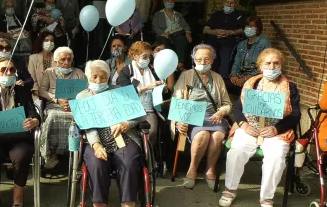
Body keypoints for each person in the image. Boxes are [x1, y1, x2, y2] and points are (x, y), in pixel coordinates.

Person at [219, 48, 300, 207]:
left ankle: (266, 198)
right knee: (237, 151)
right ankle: (230, 190)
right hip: (250, 128)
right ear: (260, 66)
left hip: (276, 132)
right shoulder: (251, 83)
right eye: (267, 63)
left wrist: (276, 129)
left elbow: (295, 114)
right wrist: (243, 124)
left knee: (276, 157)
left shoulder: (290, 87)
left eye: (276, 63)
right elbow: (237, 108)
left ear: (281, 65)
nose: (272, 67)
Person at [0, 57, 40, 207]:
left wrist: (34, 121)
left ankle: (18, 198)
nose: (8, 73)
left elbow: (34, 114)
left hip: (19, 139)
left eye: (12, 70)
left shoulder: (22, 92)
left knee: (22, 156)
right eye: (4, 70)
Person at [77, 60, 142, 207]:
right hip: (96, 139)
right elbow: (88, 126)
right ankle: (99, 204)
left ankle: (128, 203)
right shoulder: (82, 97)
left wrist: (127, 123)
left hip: (123, 136)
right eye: (95, 77)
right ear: (88, 77)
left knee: (128, 162)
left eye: (103, 77)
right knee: (97, 164)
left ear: (109, 77)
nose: (99, 81)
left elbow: (138, 114)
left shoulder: (119, 91)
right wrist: (96, 145)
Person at [173, 44, 232, 189]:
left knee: (218, 136)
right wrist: (178, 121)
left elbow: (227, 103)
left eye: (206, 59)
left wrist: (221, 112)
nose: (202, 62)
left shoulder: (217, 78)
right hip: (192, 116)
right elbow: (177, 100)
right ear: (194, 60)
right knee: (202, 135)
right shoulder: (186, 75)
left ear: (212, 60)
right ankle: (192, 170)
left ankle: (210, 170)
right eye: (199, 59)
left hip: (214, 116)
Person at [39, 47, 86, 169]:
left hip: (74, 106)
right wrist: (56, 99)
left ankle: (75, 152)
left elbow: (86, 92)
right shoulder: (49, 72)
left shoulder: (79, 73)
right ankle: (52, 153)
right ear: (56, 61)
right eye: (62, 60)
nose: (66, 62)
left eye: (69, 59)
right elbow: (42, 91)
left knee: (79, 118)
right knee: (53, 116)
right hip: (54, 105)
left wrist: (73, 103)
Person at [115, 41, 163, 144]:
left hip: (149, 110)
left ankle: (150, 157)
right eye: (145, 56)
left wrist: (162, 88)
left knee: (152, 131)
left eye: (149, 56)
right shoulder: (126, 72)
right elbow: (125, 93)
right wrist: (148, 87)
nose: (148, 59)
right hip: (130, 110)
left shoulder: (153, 71)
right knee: (128, 133)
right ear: (135, 56)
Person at [204, 0, 245, 82]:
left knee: (226, 52)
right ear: (223, 3)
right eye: (227, 2)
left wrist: (231, 32)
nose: (229, 5)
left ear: (235, 4)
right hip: (214, 39)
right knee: (209, 51)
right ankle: (207, 77)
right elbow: (205, 29)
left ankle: (223, 80)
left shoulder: (240, 15)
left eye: (232, 3)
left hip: (230, 39)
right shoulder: (216, 15)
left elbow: (243, 30)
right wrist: (214, 32)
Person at [228, 16, 271, 95]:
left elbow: (265, 66)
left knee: (247, 90)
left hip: (256, 76)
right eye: (247, 26)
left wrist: (246, 78)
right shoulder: (241, 44)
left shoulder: (264, 43)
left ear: (258, 28)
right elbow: (236, 62)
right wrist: (234, 75)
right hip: (241, 74)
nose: (248, 28)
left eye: (251, 26)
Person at [152, 0, 192, 71]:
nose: (170, 2)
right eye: (168, 0)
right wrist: (162, 33)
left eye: (172, 0)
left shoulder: (178, 14)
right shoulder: (158, 14)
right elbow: (154, 27)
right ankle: (170, 64)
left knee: (181, 40)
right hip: (164, 34)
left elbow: (186, 26)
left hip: (177, 33)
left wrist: (188, 33)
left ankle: (180, 65)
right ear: (164, 2)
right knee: (164, 41)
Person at [0, 0, 31, 64]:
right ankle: (11, 63)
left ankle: (25, 64)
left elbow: (28, 29)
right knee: (11, 43)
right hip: (8, 37)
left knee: (25, 41)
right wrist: (5, 35)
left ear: (14, 7)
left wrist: (26, 33)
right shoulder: (0, 18)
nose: (10, 8)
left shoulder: (20, 18)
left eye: (12, 6)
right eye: (8, 6)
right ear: (4, 7)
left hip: (21, 37)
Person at [28, 32, 56, 99]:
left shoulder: (57, 58)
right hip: (37, 95)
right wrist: (39, 93)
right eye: (46, 40)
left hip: (55, 94)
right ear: (41, 42)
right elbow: (32, 79)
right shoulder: (33, 58)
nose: (49, 43)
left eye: (52, 41)